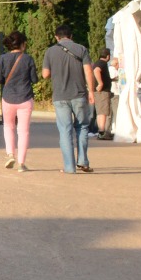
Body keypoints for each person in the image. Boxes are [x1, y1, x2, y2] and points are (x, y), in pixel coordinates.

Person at [41, 24, 95, 174]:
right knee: (82, 127)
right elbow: (88, 71)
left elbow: (45, 74)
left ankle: (69, 167)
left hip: (60, 96)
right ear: (71, 36)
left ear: (56, 37)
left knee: (65, 130)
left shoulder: (50, 51)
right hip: (79, 94)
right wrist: (91, 91)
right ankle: (83, 161)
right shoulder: (82, 49)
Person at [0, 31, 36, 172]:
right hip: (25, 97)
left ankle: (10, 154)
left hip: (8, 98)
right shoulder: (28, 59)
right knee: (24, 131)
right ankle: (21, 163)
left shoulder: (2, 59)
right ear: (23, 44)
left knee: (8, 126)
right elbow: (35, 79)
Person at [92, 48, 113, 138]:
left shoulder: (97, 62)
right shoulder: (102, 63)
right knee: (103, 112)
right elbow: (96, 70)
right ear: (108, 56)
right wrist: (100, 83)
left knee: (101, 111)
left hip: (100, 91)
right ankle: (102, 132)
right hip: (102, 92)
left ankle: (101, 132)